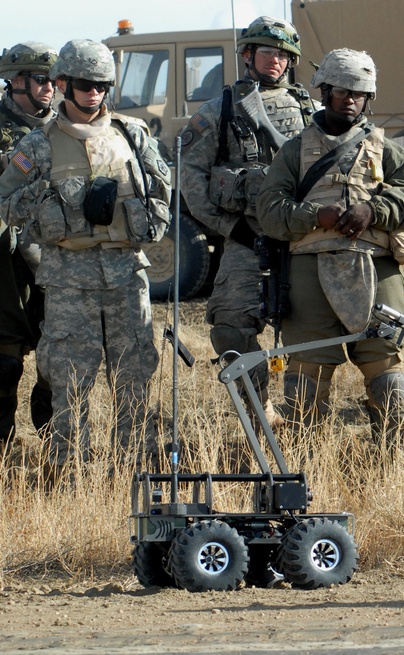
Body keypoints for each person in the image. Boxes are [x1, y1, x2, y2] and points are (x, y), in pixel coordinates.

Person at [0, 39, 172, 476]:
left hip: (126, 274)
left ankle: (135, 472)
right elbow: (5, 203)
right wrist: (49, 198)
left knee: (134, 376)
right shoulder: (38, 145)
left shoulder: (132, 135)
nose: (93, 93)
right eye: (82, 84)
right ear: (63, 85)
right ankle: (67, 472)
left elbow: (162, 195)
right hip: (67, 277)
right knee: (69, 380)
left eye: (100, 84)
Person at [257, 49, 404, 443]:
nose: (351, 100)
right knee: (306, 376)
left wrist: (374, 211)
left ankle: (395, 462)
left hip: (376, 267)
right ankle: (305, 467)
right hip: (306, 273)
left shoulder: (385, 148)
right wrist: (314, 217)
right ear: (325, 92)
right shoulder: (294, 151)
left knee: (388, 372)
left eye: (359, 93)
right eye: (341, 92)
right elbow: (269, 211)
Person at [179, 16, 318, 426]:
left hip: (306, 236)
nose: (276, 61)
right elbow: (192, 181)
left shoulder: (312, 110)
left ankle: (309, 415)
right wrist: (231, 231)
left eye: (284, 55)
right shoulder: (219, 110)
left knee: (311, 329)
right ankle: (261, 412)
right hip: (248, 237)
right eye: (268, 52)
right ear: (247, 55)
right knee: (229, 327)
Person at [0, 42, 57, 447]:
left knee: (55, 365)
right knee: (4, 365)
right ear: (16, 81)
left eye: (55, 80)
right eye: (41, 79)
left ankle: (54, 457)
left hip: (54, 261)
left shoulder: (66, 128)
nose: (50, 88)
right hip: (5, 267)